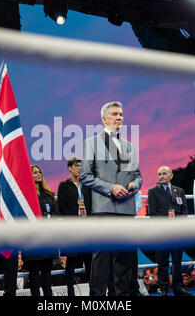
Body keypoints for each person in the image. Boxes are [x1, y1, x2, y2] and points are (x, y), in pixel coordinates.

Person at [80, 101, 143, 296]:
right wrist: (111, 188)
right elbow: (85, 176)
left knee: (124, 258)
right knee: (101, 258)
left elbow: (138, 175)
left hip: (126, 208)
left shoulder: (130, 146)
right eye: (115, 114)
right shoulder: (90, 143)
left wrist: (135, 185)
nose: (119, 118)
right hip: (104, 207)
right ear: (104, 119)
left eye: (121, 114)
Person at [147, 166, 192, 296]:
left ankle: (178, 288)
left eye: (164, 173)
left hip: (177, 232)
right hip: (161, 232)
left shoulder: (179, 191)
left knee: (177, 261)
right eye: (159, 174)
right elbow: (153, 213)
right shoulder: (153, 191)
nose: (161, 176)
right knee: (162, 263)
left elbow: (184, 210)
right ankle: (164, 290)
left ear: (171, 175)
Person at [57, 157, 92, 296]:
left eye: (81, 166)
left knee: (89, 261)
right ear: (70, 167)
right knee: (71, 261)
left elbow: (92, 204)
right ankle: (70, 291)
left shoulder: (87, 184)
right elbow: (61, 206)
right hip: (72, 228)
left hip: (88, 228)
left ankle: (92, 291)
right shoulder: (63, 185)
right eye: (76, 165)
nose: (79, 168)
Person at [24, 165, 60, 296]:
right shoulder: (26, 196)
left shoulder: (48, 195)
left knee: (47, 274)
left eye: (39, 172)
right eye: (34, 173)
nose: (38, 174)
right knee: (34, 275)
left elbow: (55, 215)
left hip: (48, 240)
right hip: (32, 241)